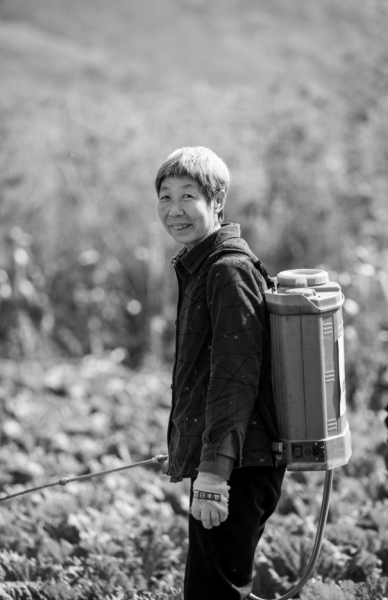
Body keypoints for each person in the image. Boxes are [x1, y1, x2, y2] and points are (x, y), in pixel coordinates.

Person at [155, 146, 286, 600]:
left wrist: (212, 475)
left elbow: (235, 377)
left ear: (217, 201)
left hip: (238, 468)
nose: (174, 210)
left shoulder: (228, 270)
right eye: (165, 197)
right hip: (231, 460)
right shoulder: (202, 264)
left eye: (187, 196)